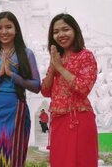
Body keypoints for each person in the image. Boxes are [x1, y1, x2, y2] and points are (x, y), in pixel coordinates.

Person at [0, 11, 41, 167]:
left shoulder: (26, 54)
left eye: (9, 27)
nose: (4, 32)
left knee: (15, 158)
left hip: (16, 110)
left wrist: (12, 75)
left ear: (16, 29)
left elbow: (37, 86)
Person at [41, 13, 98, 167]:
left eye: (65, 29)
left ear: (75, 31)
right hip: (58, 121)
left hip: (79, 119)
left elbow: (83, 87)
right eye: (56, 31)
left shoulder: (85, 56)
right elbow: (45, 91)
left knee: (81, 162)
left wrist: (60, 67)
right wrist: (53, 67)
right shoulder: (57, 57)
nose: (60, 35)